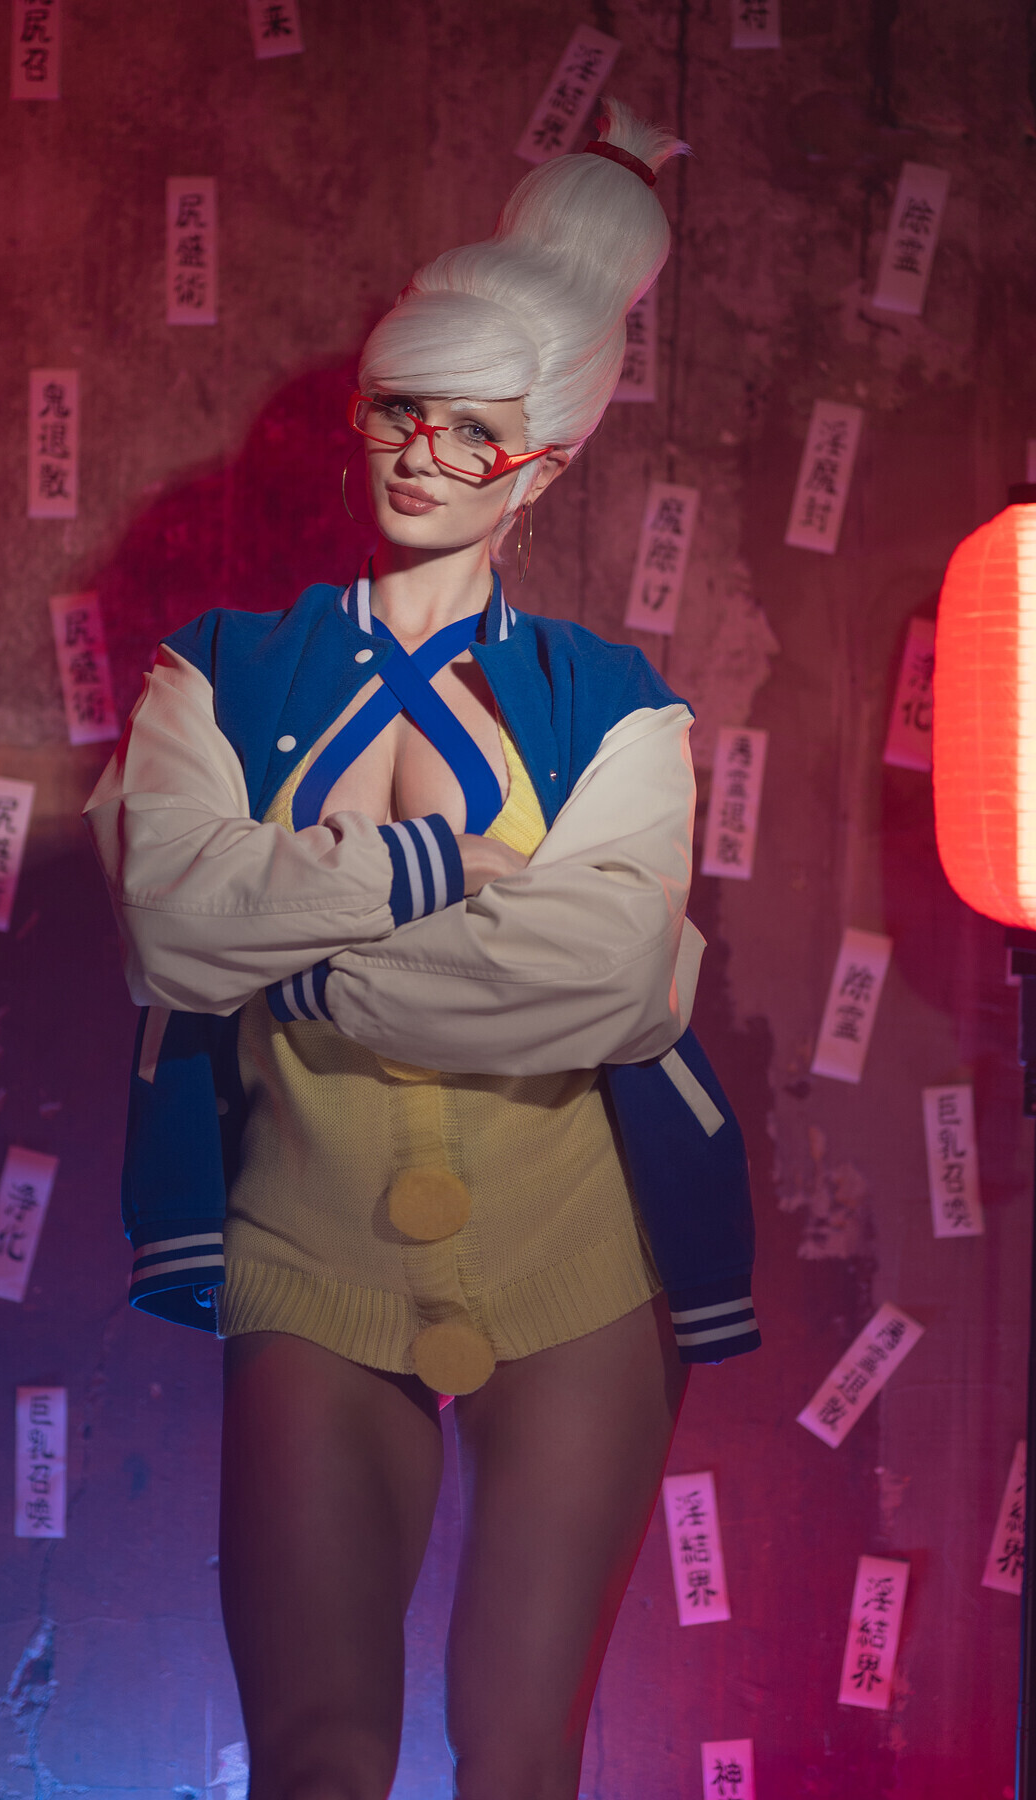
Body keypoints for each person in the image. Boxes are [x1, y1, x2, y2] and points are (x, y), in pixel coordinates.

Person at [85, 99, 759, 1800]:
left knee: (520, 1755)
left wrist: (294, 958)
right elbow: (171, 922)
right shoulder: (218, 670)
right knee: (316, 1758)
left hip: (576, 1265)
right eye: (400, 413)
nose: (419, 458)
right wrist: (446, 873)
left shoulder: (618, 705)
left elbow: (603, 982)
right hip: (308, 1254)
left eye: (471, 433)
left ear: (546, 462)